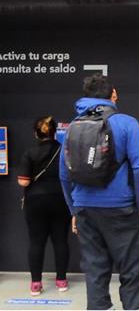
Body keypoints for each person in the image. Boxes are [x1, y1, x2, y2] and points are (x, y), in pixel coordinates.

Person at [59, 73, 139, 310]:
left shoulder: (73, 127)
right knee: (133, 267)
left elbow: (64, 174)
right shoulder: (127, 123)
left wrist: (74, 209)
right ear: (114, 94)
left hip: (85, 209)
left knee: (95, 269)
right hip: (123, 207)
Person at [17, 116, 70, 296]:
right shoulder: (64, 151)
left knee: (36, 242)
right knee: (61, 240)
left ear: (35, 133)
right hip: (60, 200)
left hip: (36, 201)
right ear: (55, 133)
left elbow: (23, 182)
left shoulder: (29, 153)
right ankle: (62, 281)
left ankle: (36, 284)